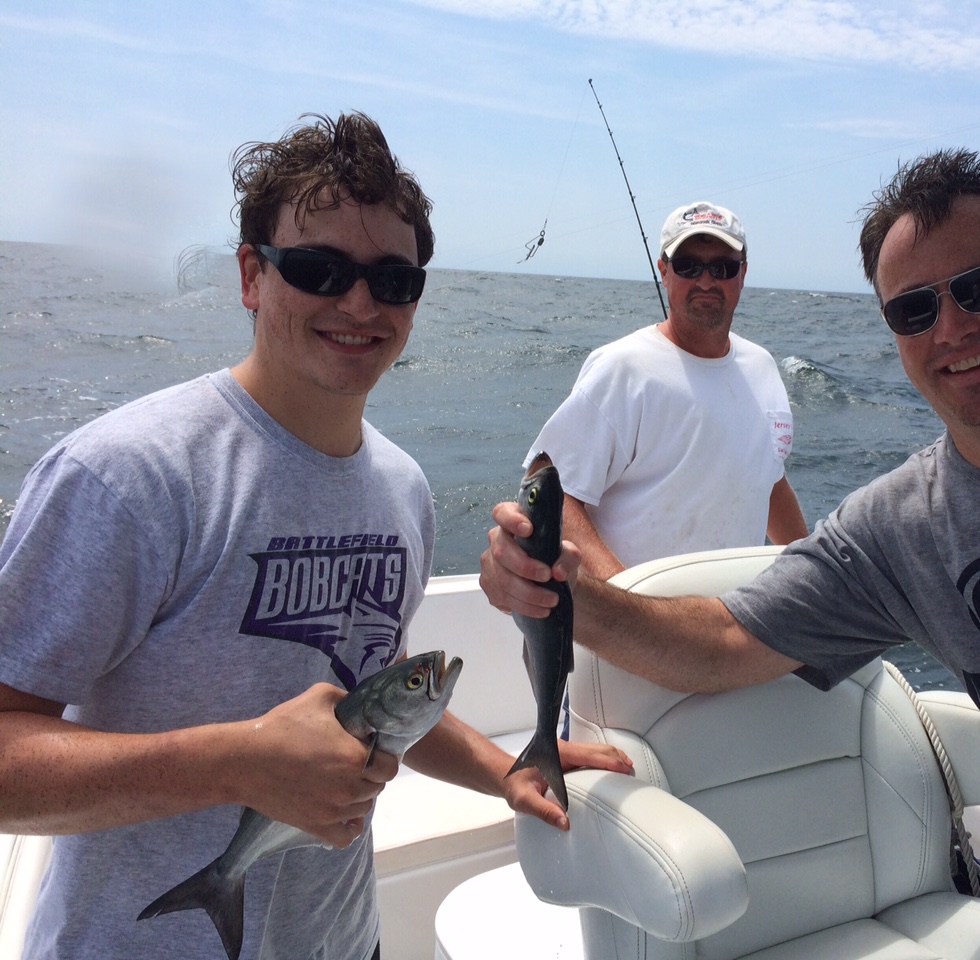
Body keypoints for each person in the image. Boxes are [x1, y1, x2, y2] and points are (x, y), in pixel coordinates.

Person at [480, 149, 980, 960]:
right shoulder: (902, 530)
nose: (952, 329)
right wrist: (559, 592)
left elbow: (770, 482)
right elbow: (722, 640)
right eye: (913, 310)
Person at [0, 112, 629, 960]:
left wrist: (507, 772)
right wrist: (237, 761)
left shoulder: (403, 489)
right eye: (319, 269)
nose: (360, 303)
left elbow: (373, 699)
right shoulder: (128, 476)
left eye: (393, 279)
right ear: (251, 276)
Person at [524, 201, 807, 580]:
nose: (705, 281)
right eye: (688, 266)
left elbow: (770, 484)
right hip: (631, 615)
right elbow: (554, 492)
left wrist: (813, 573)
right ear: (664, 271)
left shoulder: (763, 367)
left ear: (742, 274)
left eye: (722, 268)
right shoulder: (622, 368)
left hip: (739, 612)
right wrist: (628, 600)